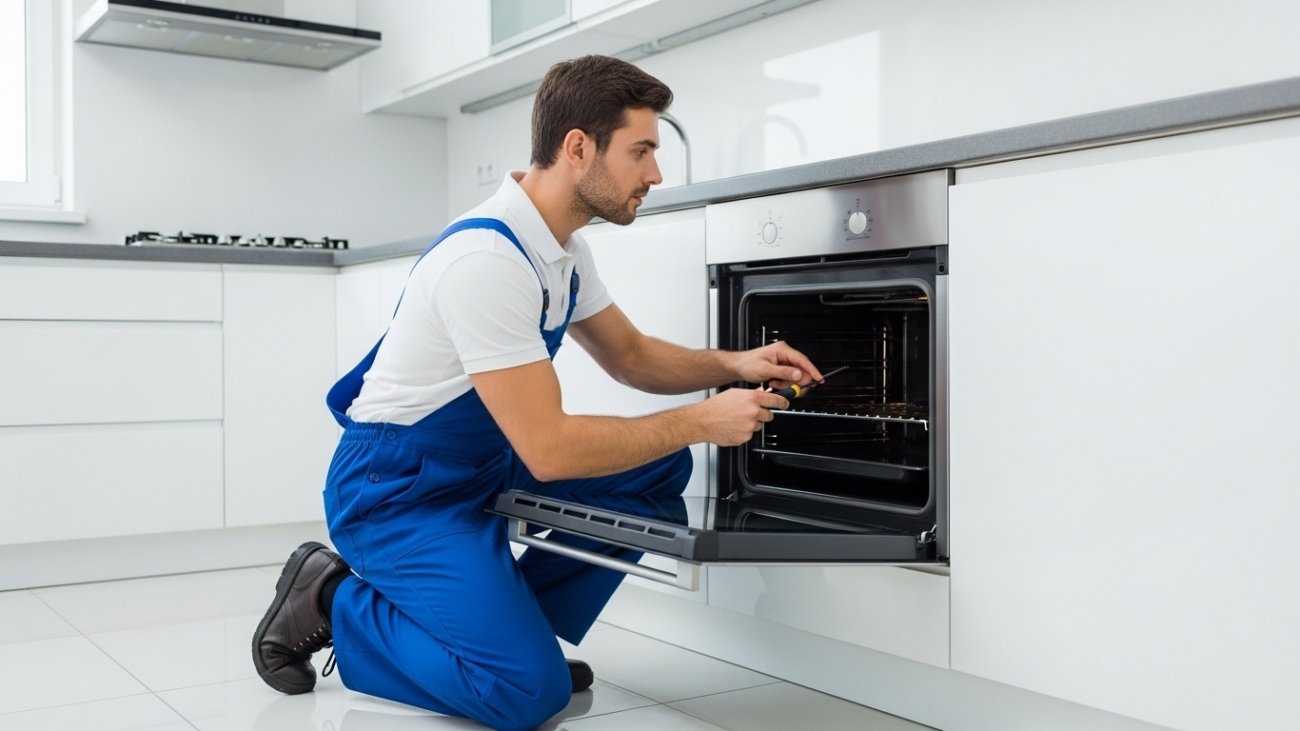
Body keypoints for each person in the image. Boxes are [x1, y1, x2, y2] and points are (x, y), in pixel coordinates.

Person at [251, 54, 823, 731]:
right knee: (528, 697)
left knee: (658, 470)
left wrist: (735, 361)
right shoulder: (487, 262)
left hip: (483, 465)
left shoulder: (562, 248)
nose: (656, 173)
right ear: (577, 148)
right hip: (398, 491)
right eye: (641, 150)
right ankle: (334, 597)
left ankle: (508, 637)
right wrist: (701, 418)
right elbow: (549, 449)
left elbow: (631, 356)